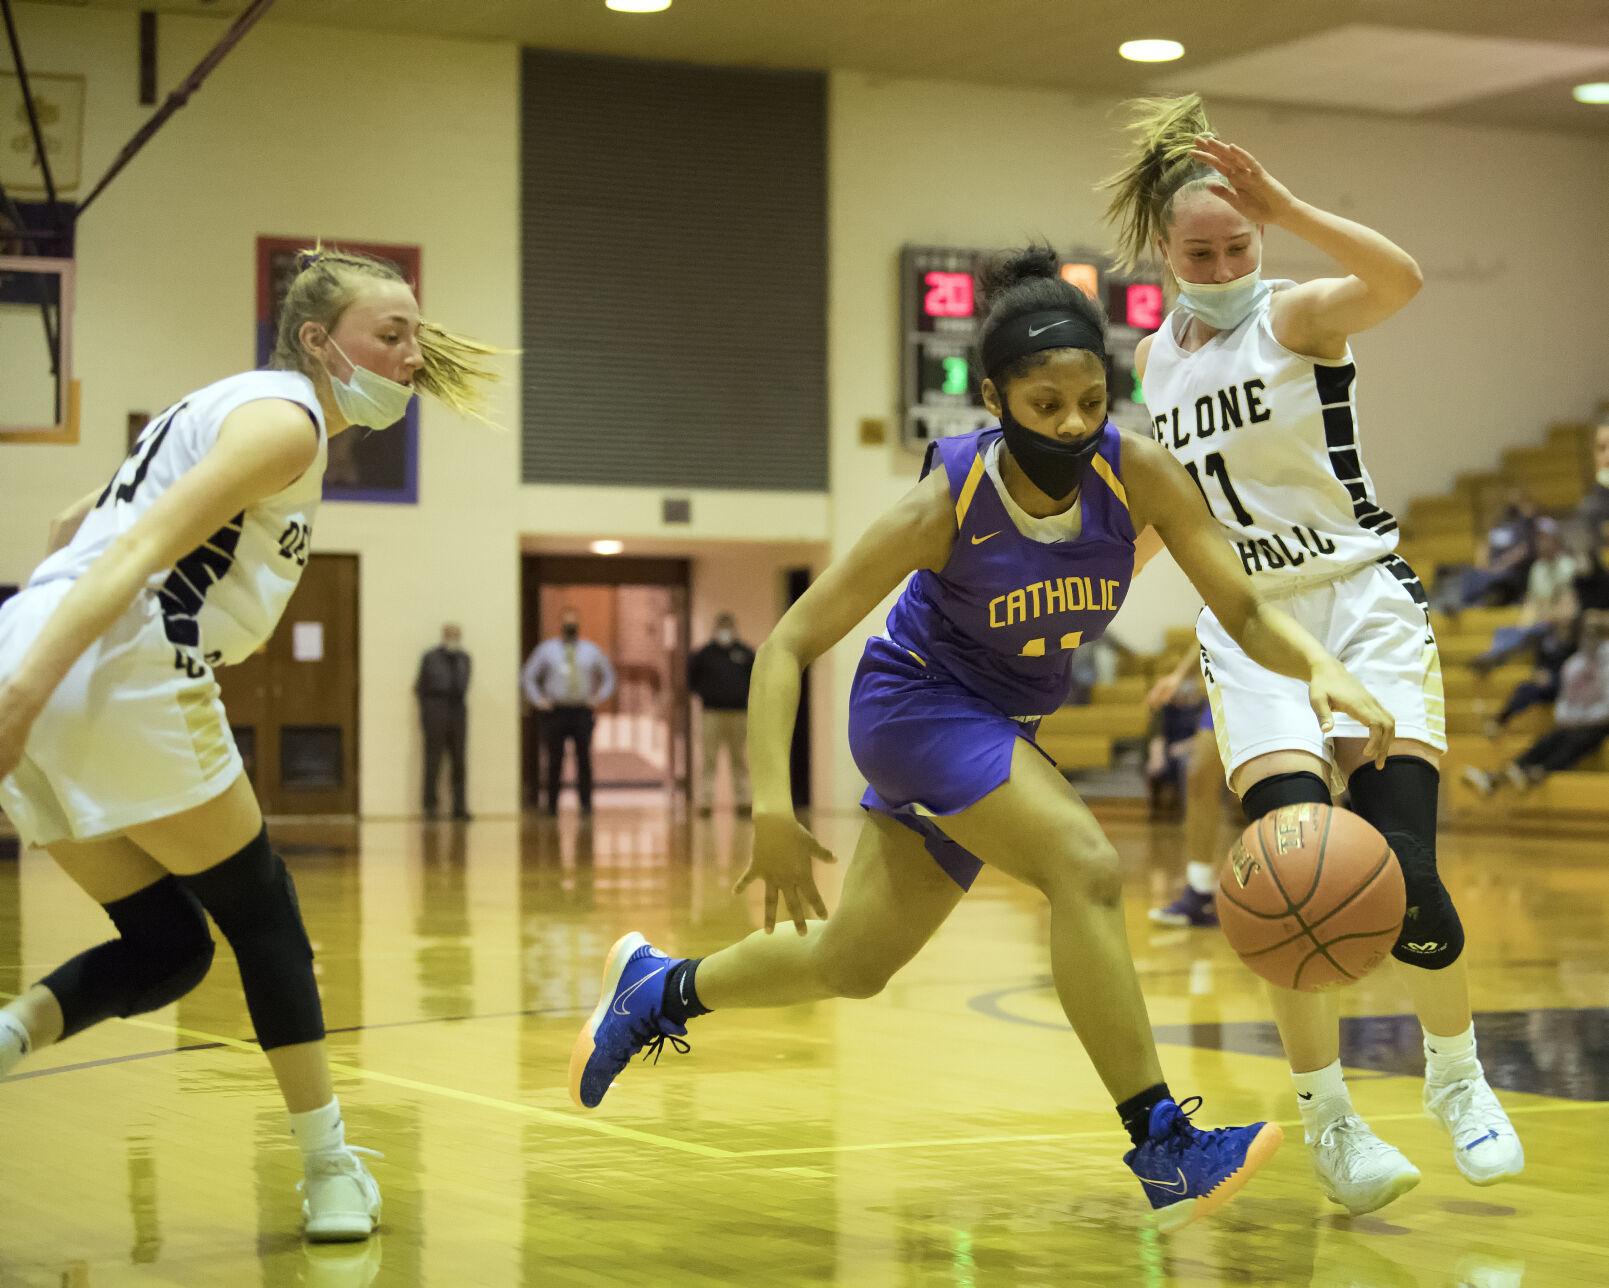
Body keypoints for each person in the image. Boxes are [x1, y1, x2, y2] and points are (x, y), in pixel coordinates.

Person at [566, 246, 1397, 1232]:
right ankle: (1162, 1142)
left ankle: (657, 989)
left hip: (996, 726)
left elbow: (1246, 608)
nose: (1073, 424)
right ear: (997, 396)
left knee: (852, 961)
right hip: (913, 705)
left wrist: (1320, 665)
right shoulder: (946, 500)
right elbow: (787, 644)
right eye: (1046, 405)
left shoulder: (1138, 476)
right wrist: (771, 807)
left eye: (1090, 400)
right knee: (1084, 865)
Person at [0, 247, 500, 1239]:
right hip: (109, 666)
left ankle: (10, 1033)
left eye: (413, 333)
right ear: (320, 341)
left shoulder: (234, 401)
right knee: (266, 915)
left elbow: (76, 520)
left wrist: (28, 670)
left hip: (42, 637)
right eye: (390, 333)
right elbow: (139, 550)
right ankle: (328, 1170)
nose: (411, 354)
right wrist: (24, 696)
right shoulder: (286, 424)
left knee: (172, 947)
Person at [1103, 93, 1524, 1215]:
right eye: (1200, 249)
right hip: (1251, 627)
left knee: (1409, 873)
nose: (1223, 259)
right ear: (1164, 255)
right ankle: (1329, 1120)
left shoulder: (1293, 317)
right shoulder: (1154, 363)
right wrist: (1092, 600)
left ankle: (1457, 1078)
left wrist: (1289, 207)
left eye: (1238, 240)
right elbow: (1174, 514)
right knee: (1284, 884)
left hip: (1359, 605)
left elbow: (1402, 282)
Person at [1465, 610, 1609, 794]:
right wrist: (1572, 719)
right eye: (1586, 631)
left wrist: (1579, 720)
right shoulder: (1573, 664)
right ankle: (1505, 774)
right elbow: (1562, 704)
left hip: (1595, 725)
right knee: (1551, 738)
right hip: (1575, 722)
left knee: (1580, 738)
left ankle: (1533, 772)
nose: (1590, 637)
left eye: (1596, 631)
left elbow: (1606, 710)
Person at [1145, 648, 1230, 928]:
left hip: (1283, 669)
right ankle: (1200, 891)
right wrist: (1180, 674)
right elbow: (1214, 614)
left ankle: (1325, 885)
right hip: (1232, 678)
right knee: (1198, 774)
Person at [521, 610, 616, 815]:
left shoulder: (591, 650)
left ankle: (586, 804)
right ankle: (551, 805)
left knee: (584, 759)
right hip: (556, 711)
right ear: (561, 625)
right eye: (567, 624)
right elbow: (528, 676)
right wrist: (539, 700)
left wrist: (598, 697)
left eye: (574, 624)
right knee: (554, 759)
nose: (570, 628)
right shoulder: (547, 650)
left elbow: (609, 676)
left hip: (581, 711)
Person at [1468, 517, 1577, 675]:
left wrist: (1547, 615)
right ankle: (1495, 656)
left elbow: (1566, 601)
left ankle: (1494, 657)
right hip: (1538, 619)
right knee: (1504, 631)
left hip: (1556, 621)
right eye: (1539, 540)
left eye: (1546, 539)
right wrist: (1524, 623)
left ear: (1556, 540)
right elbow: (1531, 600)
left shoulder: (1567, 565)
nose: (1542, 544)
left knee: (1531, 631)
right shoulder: (1537, 568)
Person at [688, 612, 756, 814]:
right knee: (708, 759)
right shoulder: (704, 654)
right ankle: (705, 802)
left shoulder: (744, 652)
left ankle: (744, 801)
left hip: (738, 714)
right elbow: (692, 680)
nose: (725, 631)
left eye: (728, 627)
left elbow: (755, 679)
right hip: (711, 714)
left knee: (740, 760)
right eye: (722, 627)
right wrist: (708, 694)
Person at [415, 623, 472, 820]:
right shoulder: (430, 658)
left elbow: (465, 684)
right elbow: (419, 688)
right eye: (450, 635)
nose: (454, 639)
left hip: (458, 712)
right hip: (435, 711)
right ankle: (430, 807)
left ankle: (460, 807)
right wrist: (426, 713)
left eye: (457, 635)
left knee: (459, 761)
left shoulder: (464, 658)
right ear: (444, 636)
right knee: (433, 760)